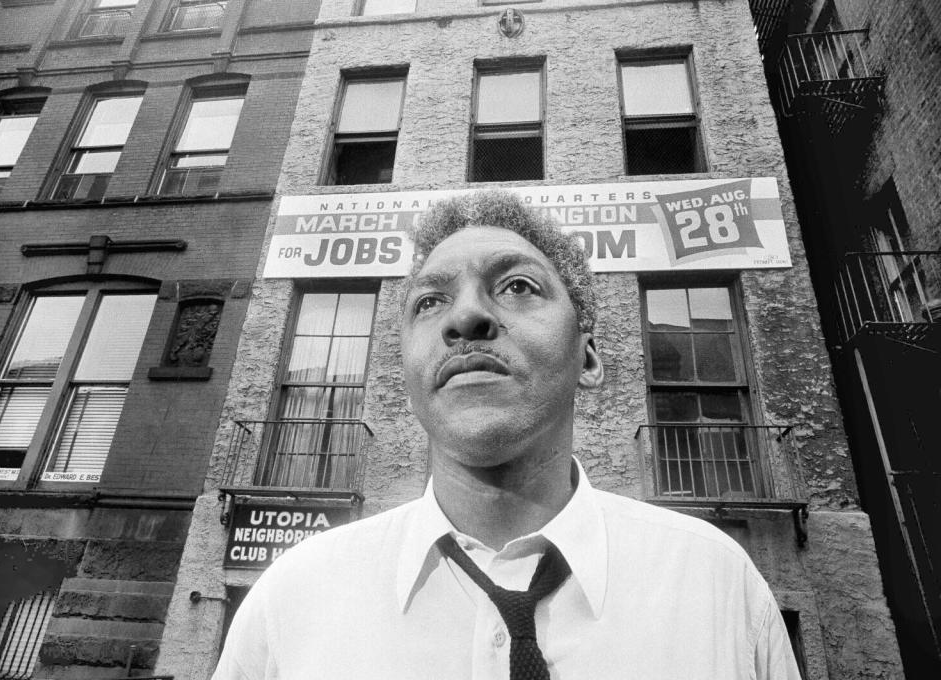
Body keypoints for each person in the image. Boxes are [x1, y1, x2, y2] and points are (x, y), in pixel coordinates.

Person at [213, 190, 802, 679]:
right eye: (430, 301)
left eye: (518, 286)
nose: (464, 318)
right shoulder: (289, 601)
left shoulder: (719, 588)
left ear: (589, 357)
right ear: (406, 377)